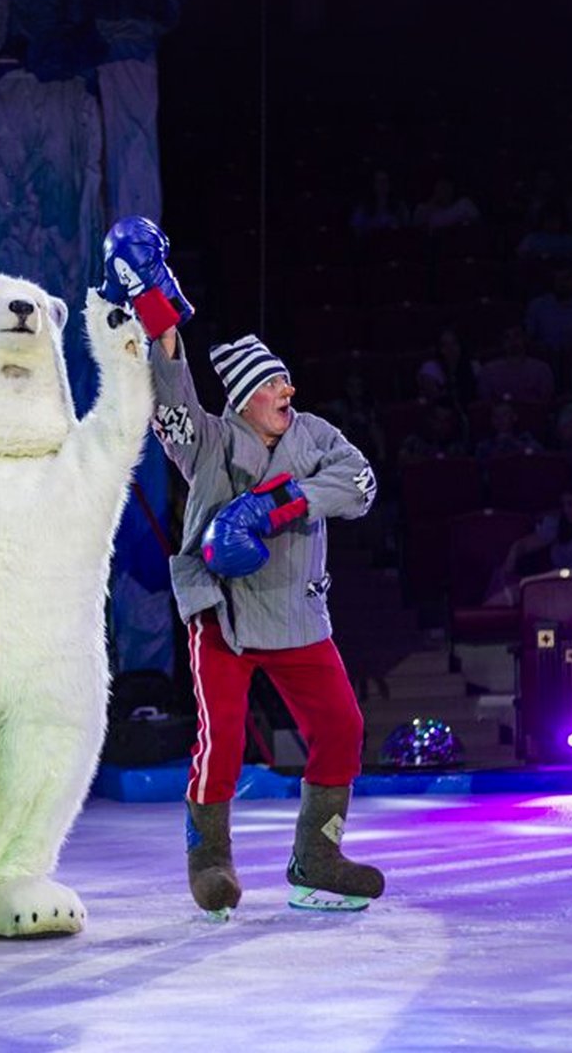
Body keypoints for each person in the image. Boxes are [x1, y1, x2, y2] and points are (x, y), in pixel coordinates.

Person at [121, 223, 382, 915]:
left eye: (285, 377)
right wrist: (158, 319)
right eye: (272, 382)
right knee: (224, 741)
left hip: (297, 611)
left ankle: (317, 856)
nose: (288, 388)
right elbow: (172, 403)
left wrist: (279, 504)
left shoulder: (315, 434)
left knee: (342, 727)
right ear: (243, 399)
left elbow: (360, 483)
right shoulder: (210, 442)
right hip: (225, 617)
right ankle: (209, 860)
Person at [485, 486, 572, 605]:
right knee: (508, 595)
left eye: (570, 504)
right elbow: (522, 546)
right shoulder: (557, 524)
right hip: (558, 584)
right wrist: (513, 555)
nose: (566, 510)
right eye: (563, 505)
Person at [525, 265, 572, 356]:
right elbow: (528, 336)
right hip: (543, 357)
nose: (562, 283)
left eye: (566, 278)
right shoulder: (538, 305)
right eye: (557, 279)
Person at [477, 325, 556, 404]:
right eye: (507, 337)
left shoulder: (541, 369)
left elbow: (547, 401)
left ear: (524, 339)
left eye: (517, 336)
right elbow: (486, 402)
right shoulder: (488, 371)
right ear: (502, 342)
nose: (513, 341)